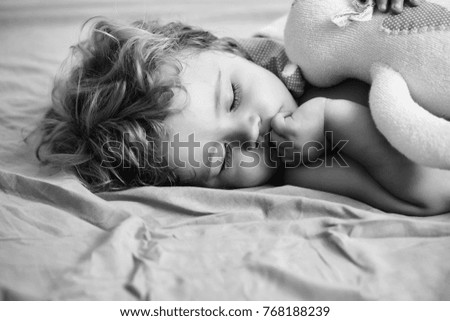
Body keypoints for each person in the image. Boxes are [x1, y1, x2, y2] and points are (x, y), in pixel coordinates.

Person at [36, 0, 450, 215]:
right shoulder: (304, 162)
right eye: (220, 159)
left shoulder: (290, 43)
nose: (250, 133)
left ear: (226, 48)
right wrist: (334, 120)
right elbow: (430, 195)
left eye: (233, 97)